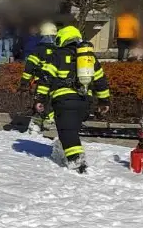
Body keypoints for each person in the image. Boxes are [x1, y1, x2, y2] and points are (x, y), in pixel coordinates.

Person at [37, 24, 111, 173]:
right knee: (71, 131)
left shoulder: (55, 56)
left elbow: (45, 79)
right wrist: (104, 101)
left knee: (67, 131)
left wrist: (39, 99)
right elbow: (100, 80)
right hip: (84, 102)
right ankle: (68, 154)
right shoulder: (88, 58)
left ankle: (78, 164)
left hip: (64, 101)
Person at [22, 22, 57, 134]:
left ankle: (36, 126)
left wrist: (24, 82)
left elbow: (29, 66)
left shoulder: (38, 50)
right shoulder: (60, 50)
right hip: (57, 83)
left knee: (39, 102)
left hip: (41, 82)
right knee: (52, 102)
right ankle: (50, 122)